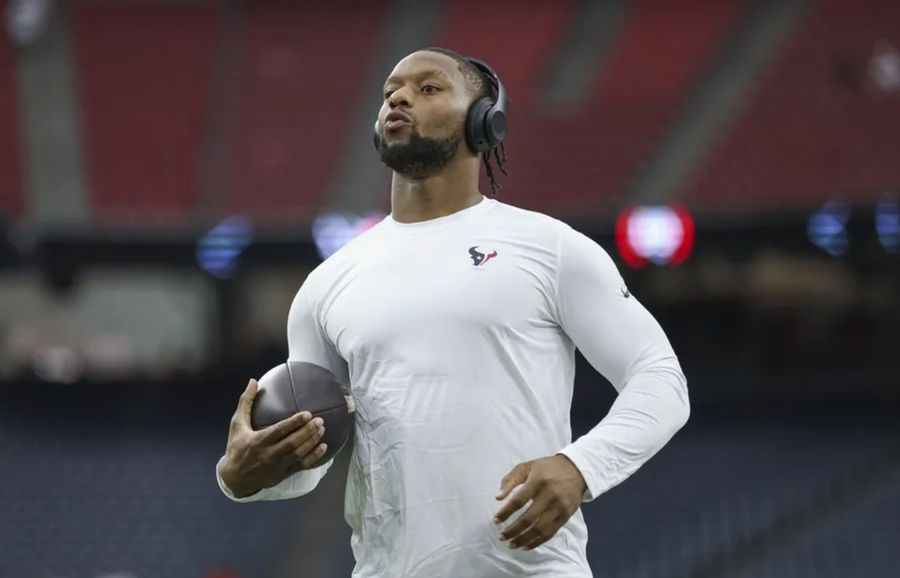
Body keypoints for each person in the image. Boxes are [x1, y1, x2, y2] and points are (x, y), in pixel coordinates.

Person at [216, 47, 690, 578]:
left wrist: (580, 467)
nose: (398, 97)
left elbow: (661, 380)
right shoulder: (326, 285)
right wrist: (245, 474)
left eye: (429, 88)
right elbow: (310, 456)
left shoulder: (551, 248)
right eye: (390, 90)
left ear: (484, 119)